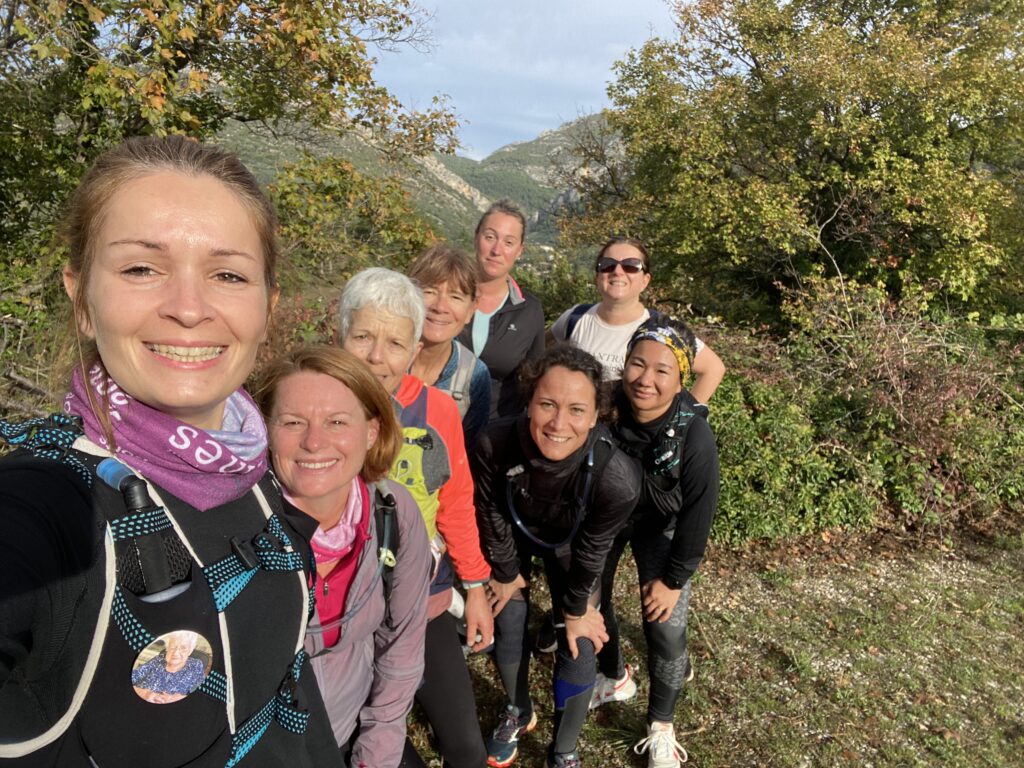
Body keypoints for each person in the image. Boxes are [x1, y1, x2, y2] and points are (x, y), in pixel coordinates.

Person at [0, 136, 338, 766]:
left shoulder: (249, 467)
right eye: (141, 268)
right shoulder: (49, 500)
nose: (188, 308)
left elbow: (290, 689)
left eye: (228, 274)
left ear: (267, 304)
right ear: (81, 297)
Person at [338, 267, 493, 768]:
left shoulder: (439, 411)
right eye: (363, 336)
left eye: (395, 342)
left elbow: (456, 501)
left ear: (413, 349)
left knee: (467, 750)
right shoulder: (317, 404)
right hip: (342, 615)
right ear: (341, 334)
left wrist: (475, 589)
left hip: (420, 605)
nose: (377, 357)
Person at [254, 345, 432, 768]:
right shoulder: (236, 527)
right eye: (293, 422)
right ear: (263, 429)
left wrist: (376, 754)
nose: (314, 442)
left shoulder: (394, 512)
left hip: (355, 733)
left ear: (371, 432)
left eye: (337, 422)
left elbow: (401, 646)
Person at [473, 345, 642, 768]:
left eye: (576, 410)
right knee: (508, 614)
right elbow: (490, 509)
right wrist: (507, 572)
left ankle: (564, 749)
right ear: (528, 401)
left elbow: (594, 551)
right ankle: (518, 709)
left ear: (596, 415)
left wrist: (576, 608)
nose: (558, 424)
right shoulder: (495, 441)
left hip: (574, 547)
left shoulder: (616, 476)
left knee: (580, 639)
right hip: (515, 533)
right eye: (547, 404)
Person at [593, 316, 720, 768]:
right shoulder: (604, 402)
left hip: (662, 523)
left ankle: (661, 724)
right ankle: (613, 675)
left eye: (662, 370)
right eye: (636, 364)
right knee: (593, 602)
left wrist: (672, 579)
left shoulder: (693, 432)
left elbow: (698, 515)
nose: (645, 379)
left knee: (665, 626)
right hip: (607, 517)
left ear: (681, 377)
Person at [548, 237, 725, 401]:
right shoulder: (575, 318)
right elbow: (536, 354)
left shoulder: (663, 328)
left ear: (645, 280)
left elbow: (713, 368)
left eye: (631, 266)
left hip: (632, 434)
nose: (618, 271)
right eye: (608, 265)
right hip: (578, 430)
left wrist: (684, 418)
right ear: (598, 276)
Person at [457, 200, 545, 419]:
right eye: (490, 237)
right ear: (476, 238)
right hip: (434, 428)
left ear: (519, 251)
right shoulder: (444, 297)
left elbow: (535, 379)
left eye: (508, 242)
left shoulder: (529, 310)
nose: (497, 250)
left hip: (494, 436)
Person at [406, 244, 491, 448]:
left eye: (455, 296)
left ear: (471, 310)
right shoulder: (380, 358)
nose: (440, 306)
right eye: (429, 291)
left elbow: (465, 454)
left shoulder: (474, 377)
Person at [131, 630, 208, 704]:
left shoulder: (195, 665)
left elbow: (202, 692)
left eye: (183, 648)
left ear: (190, 651)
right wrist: (144, 693)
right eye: (173, 647)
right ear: (167, 648)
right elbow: (132, 678)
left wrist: (176, 698)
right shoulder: (158, 660)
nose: (176, 653)